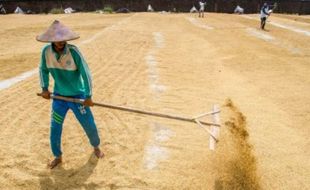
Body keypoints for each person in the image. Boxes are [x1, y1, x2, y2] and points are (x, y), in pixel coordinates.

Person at [36, 20, 104, 169]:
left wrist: (88, 96)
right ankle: (57, 156)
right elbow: (43, 70)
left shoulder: (74, 52)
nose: (61, 42)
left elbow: (86, 73)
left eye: (63, 39)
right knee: (55, 127)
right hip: (59, 98)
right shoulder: (46, 52)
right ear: (52, 40)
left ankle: (96, 146)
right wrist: (45, 88)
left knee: (89, 125)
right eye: (57, 40)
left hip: (78, 97)